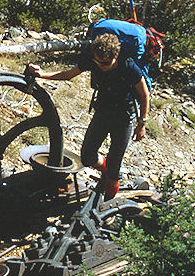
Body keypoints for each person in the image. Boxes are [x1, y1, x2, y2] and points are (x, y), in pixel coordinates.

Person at [28, 33, 150, 198]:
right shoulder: (93, 61)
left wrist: (141, 123)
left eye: (105, 63)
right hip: (103, 111)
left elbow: (144, 95)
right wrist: (41, 74)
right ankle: (106, 171)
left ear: (115, 56)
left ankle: (108, 199)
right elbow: (68, 74)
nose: (101, 66)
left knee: (115, 166)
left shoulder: (128, 66)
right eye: (98, 62)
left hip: (124, 116)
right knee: (87, 156)